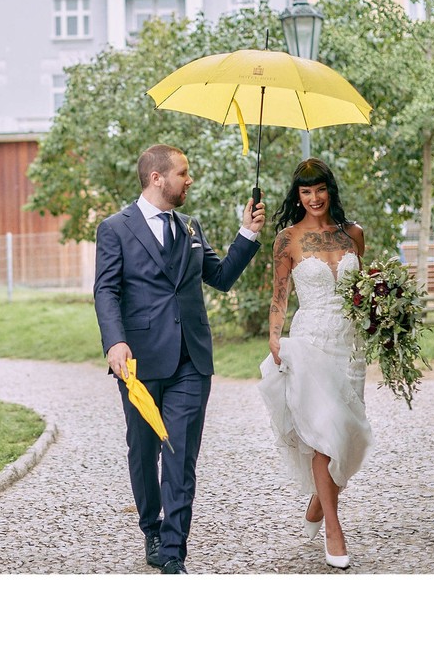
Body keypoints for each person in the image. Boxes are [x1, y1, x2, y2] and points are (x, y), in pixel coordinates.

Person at [94, 143, 266, 574]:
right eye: (183, 173)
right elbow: (106, 290)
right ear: (157, 178)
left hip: (192, 359)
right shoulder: (115, 228)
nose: (189, 180)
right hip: (138, 363)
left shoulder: (191, 228)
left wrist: (247, 234)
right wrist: (114, 342)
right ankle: (151, 527)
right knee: (143, 451)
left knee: (180, 455)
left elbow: (221, 277)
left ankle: (173, 551)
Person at [259, 158, 372, 570]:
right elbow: (280, 296)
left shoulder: (352, 235)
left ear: (330, 190)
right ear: (298, 196)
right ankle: (333, 529)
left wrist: (386, 315)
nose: (314, 198)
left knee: (347, 433)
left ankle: (316, 504)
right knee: (326, 431)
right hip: (310, 341)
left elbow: (364, 291)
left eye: (319, 189)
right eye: (306, 192)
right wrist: (274, 334)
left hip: (351, 346)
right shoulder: (287, 239)